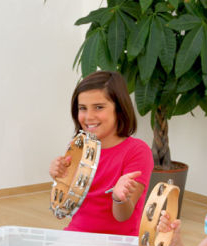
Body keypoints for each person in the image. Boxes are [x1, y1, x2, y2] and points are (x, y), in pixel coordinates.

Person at [49, 70, 153, 236]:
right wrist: (59, 179)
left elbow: (123, 216)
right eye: (82, 108)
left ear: (119, 109)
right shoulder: (79, 148)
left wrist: (119, 198)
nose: (89, 116)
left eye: (98, 107)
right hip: (77, 235)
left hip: (117, 243)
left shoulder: (137, 151)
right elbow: (63, 211)